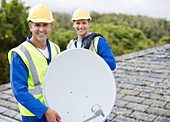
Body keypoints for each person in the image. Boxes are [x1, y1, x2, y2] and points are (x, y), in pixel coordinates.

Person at [8, 4, 61, 122]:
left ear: (51, 26)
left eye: (45, 25)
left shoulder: (56, 49)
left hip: (54, 110)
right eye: (37, 25)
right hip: (33, 115)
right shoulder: (19, 54)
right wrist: (45, 111)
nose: (41, 29)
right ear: (30, 26)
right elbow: (19, 92)